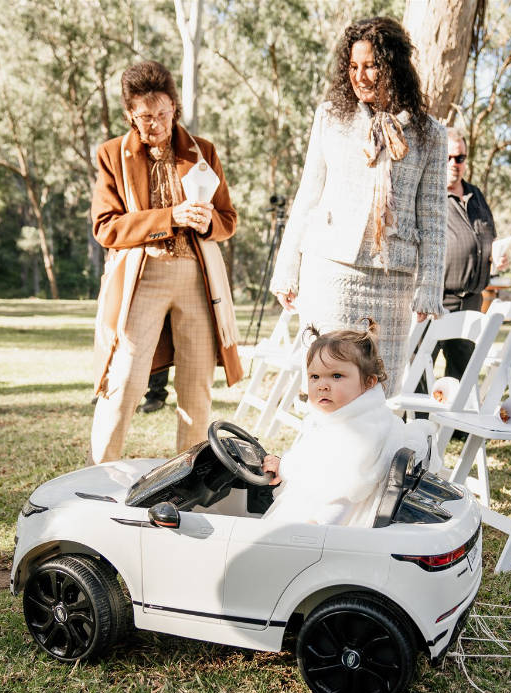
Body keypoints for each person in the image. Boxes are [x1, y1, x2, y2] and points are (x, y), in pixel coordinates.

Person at [269, 16, 447, 395]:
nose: (360, 76)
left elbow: (432, 215)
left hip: (393, 281)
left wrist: (429, 286)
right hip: (330, 272)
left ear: (394, 67)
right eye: (353, 66)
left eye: (371, 66)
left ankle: (373, 457)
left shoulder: (430, 133)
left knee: (379, 391)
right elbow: (309, 193)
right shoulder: (331, 117)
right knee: (326, 387)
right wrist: (287, 267)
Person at [90, 60, 240, 463]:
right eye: (144, 117)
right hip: (143, 278)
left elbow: (229, 219)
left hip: (197, 280)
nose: (155, 124)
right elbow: (106, 228)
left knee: (196, 392)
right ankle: (98, 478)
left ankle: (187, 484)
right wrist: (170, 218)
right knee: (124, 382)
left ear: (174, 107)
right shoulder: (111, 155)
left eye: (162, 114)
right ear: (129, 115)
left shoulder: (203, 151)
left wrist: (209, 223)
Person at [261, 322, 434, 526]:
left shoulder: (361, 431)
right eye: (314, 376)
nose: (322, 385)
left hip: (335, 525)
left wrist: (315, 526)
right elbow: (315, 458)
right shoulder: (342, 417)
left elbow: (343, 490)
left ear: (369, 382)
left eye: (336, 376)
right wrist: (286, 465)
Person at [437, 127, 501, 379]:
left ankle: (453, 420)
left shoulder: (476, 195)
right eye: (448, 157)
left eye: (460, 158)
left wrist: (497, 254)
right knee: (421, 370)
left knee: (463, 376)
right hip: (437, 301)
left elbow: (489, 235)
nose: (454, 164)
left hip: (472, 300)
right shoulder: (430, 195)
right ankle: (420, 420)